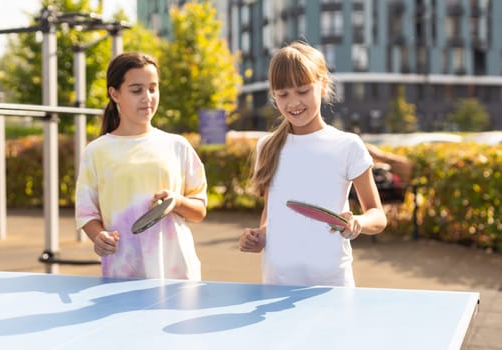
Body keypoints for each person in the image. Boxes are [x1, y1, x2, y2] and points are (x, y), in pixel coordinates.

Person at [238, 41, 387, 287]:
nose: (293, 102)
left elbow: (378, 216)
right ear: (274, 96)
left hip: (331, 285)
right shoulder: (266, 147)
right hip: (277, 281)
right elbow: (271, 213)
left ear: (323, 86)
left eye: (303, 90)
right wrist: (260, 236)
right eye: (283, 94)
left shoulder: (348, 145)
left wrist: (358, 222)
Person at [75, 52, 207, 280]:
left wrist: (176, 201)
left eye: (153, 89)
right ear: (114, 93)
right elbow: (87, 214)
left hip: (177, 271)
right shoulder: (96, 152)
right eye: (136, 90)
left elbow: (199, 210)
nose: (147, 97)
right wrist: (99, 238)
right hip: (123, 270)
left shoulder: (178, 145)